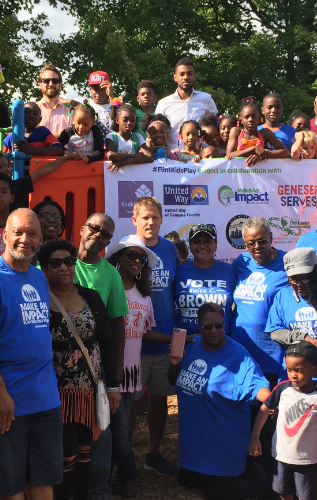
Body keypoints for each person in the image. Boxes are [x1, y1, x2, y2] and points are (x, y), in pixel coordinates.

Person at [0, 209, 63, 500]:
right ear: (4, 235)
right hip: (7, 400)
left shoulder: (37, 277)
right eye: (18, 232)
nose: (25, 239)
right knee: (10, 488)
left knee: (42, 480)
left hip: (44, 397)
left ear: (41, 238)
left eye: (32, 233)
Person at [266, 247, 317, 498]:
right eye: (294, 278)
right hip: (295, 377)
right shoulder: (282, 296)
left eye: (305, 277)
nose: (300, 283)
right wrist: (302, 339)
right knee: (296, 426)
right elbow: (274, 330)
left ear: (315, 272)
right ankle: (292, 477)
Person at [39, 239, 119, 500]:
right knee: (66, 453)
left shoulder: (90, 297)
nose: (63, 267)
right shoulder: (38, 299)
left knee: (86, 451)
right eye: (55, 262)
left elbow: (106, 342)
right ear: (43, 267)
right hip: (55, 393)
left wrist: (113, 386)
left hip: (89, 390)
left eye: (69, 261)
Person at [169, 303, 271, 500]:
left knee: (216, 493)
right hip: (195, 448)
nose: (214, 331)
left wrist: (271, 399)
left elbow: (259, 387)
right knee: (185, 480)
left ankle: (265, 479)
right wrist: (174, 365)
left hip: (224, 448)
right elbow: (174, 380)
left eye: (219, 325)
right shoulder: (192, 346)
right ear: (199, 326)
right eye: (208, 326)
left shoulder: (238, 355)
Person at [73, 213, 127, 500]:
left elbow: (118, 325)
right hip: (60, 365)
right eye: (93, 227)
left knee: (101, 431)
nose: (98, 234)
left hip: (96, 367)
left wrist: (115, 379)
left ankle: (98, 493)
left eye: (105, 233)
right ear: (82, 229)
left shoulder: (110, 275)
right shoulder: (59, 262)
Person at [105, 235, 159, 497]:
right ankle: (121, 475)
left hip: (130, 372)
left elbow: (145, 331)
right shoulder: (108, 288)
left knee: (120, 428)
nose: (138, 261)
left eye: (142, 258)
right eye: (132, 256)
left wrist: (176, 338)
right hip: (107, 370)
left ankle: (122, 477)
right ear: (118, 258)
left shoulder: (144, 294)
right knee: (111, 428)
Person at [249, 341, 317, 500]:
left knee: (306, 495)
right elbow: (264, 408)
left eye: (299, 370)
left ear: (314, 369)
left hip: (307, 458)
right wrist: (255, 436)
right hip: (281, 455)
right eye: (289, 370)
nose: (293, 375)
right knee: (283, 490)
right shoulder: (282, 388)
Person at [131, 197, 178, 475]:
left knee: (159, 400)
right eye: (145, 217)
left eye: (155, 217)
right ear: (135, 219)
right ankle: (124, 458)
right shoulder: (126, 249)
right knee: (128, 404)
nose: (150, 222)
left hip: (163, 343)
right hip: (132, 344)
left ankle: (152, 453)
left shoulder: (170, 249)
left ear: (161, 220)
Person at [232, 217, 289, 382]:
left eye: (262, 241)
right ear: (244, 243)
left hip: (271, 354)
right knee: (243, 407)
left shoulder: (286, 263)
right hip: (240, 351)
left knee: (268, 406)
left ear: (271, 238)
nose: (257, 247)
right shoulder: (241, 263)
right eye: (251, 243)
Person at [174, 224, 236, 336]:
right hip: (186, 345)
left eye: (207, 241)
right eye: (197, 242)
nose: (202, 246)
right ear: (190, 246)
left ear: (215, 245)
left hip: (221, 343)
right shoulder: (178, 271)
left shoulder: (230, 271)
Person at [0, 152, 73, 214]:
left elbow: (46, 169)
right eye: (3, 167)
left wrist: (66, 158)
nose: (8, 170)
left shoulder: (17, 186)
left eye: (8, 166)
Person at [154, 58, 218, 150]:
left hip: (203, 159)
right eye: (182, 74)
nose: (186, 77)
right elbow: (157, 132)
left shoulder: (206, 99)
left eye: (189, 74)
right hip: (174, 160)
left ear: (195, 76)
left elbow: (217, 126)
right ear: (175, 77)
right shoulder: (164, 103)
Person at [226, 97, 289, 166]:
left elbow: (285, 152)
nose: (250, 120)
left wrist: (263, 155)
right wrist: (254, 149)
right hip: (240, 174)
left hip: (260, 174)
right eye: (246, 117)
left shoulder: (264, 133)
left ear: (260, 119)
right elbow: (229, 154)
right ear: (241, 120)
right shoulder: (236, 131)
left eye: (254, 116)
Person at [2, 102, 64, 169]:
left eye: (35, 114)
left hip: (38, 175)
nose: (31, 116)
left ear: (40, 120)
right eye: (27, 112)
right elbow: (0, 156)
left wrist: (31, 150)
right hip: (14, 176)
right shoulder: (11, 137)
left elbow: (58, 149)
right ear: (19, 115)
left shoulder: (43, 132)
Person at [105, 103, 151, 171]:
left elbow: (149, 157)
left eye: (132, 120)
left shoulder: (138, 137)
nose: (129, 123)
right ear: (117, 120)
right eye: (125, 120)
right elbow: (111, 155)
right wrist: (134, 156)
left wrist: (124, 162)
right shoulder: (111, 137)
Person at [37, 65, 77, 136]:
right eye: (46, 81)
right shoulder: (32, 111)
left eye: (55, 81)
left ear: (60, 85)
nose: (51, 84)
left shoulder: (71, 111)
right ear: (40, 85)